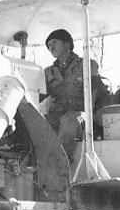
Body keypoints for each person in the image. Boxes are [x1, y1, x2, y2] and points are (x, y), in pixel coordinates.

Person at [42, 28, 110, 166]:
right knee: (37, 123)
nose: (51, 47)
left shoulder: (87, 65)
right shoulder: (48, 72)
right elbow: (41, 96)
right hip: (57, 116)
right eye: (49, 45)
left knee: (71, 119)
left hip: (81, 116)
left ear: (67, 44)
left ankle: (59, 165)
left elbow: (100, 92)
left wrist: (96, 117)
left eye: (54, 42)